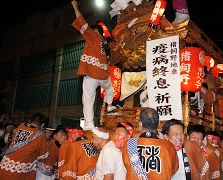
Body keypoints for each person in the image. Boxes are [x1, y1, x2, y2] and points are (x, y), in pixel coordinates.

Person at [71, 0, 116, 130]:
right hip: (103, 76)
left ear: (95, 31)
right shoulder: (106, 44)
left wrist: (76, 8)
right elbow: (109, 59)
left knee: (88, 100)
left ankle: (89, 124)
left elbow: (82, 22)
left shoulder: (93, 37)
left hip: (91, 75)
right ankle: (109, 104)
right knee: (109, 89)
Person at [121, 107, 179, 179]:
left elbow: (127, 167)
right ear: (158, 124)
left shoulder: (128, 145)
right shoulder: (169, 146)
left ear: (140, 125)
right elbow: (173, 170)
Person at [0, 112, 48, 180]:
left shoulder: (20, 126)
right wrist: (45, 139)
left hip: (4, 167)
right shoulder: (40, 136)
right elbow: (43, 156)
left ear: (30, 121)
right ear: (42, 125)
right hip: (19, 173)